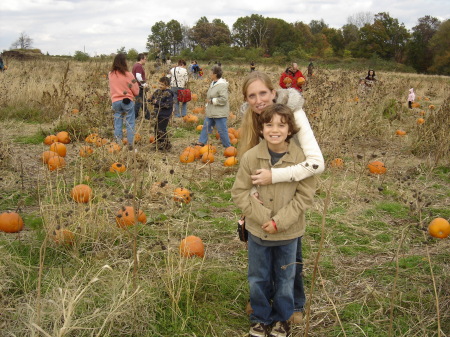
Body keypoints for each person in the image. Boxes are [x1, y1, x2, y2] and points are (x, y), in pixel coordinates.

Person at [239, 71, 324, 325]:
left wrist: (275, 176)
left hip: (292, 193)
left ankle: (294, 303)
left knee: (291, 251)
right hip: (264, 200)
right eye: (252, 96)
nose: (258, 100)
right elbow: (248, 172)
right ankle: (262, 300)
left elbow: (317, 164)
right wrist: (250, 203)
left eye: (263, 93)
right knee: (262, 255)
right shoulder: (253, 119)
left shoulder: (292, 113)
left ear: (273, 93)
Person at [194, 65, 231, 148]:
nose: (210, 74)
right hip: (211, 111)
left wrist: (211, 101)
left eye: (211, 72)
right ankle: (201, 142)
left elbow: (223, 99)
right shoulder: (213, 83)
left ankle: (228, 147)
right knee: (206, 126)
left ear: (215, 74)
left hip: (219, 112)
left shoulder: (222, 85)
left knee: (222, 130)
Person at [108, 53, 140, 149]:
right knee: (130, 123)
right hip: (126, 100)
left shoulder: (110, 74)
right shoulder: (128, 74)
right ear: (124, 62)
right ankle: (130, 144)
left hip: (115, 101)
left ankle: (118, 144)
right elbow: (136, 90)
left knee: (118, 122)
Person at [150, 76, 174, 151]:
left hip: (165, 114)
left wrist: (157, 102)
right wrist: (150, 100)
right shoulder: (157, 91)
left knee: (161, 130)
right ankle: (159, 144)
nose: (160, 86)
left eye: (163, 85)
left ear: (167, 86)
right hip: (157, 113)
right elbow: (152, 99)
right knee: (156, 129)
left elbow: (167, 105)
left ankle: (165, 145)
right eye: (160, 84)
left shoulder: (169, 93)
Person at [132, 53, 150, 120]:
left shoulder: (135, 65)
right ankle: (133, 117)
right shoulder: (138, 66)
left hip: (137, 86)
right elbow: (138, 76)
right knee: (138, 103)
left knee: (143, 102)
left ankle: (147, 116)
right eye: (145, 59)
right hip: (139, 87)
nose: (145, 61)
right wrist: (144, 84)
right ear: (141, 59)